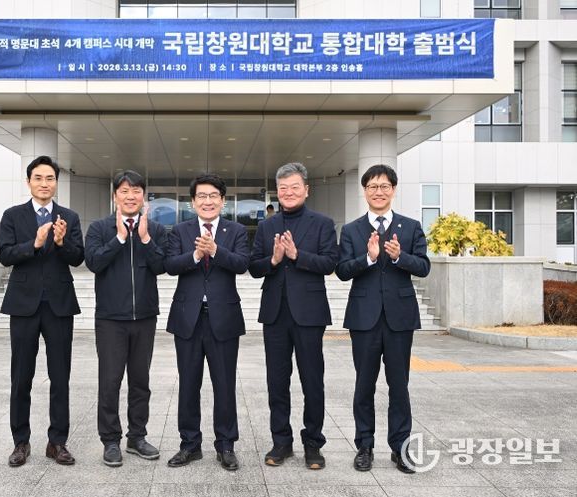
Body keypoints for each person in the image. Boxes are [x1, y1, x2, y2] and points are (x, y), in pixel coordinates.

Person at [335, 164, 431, 474]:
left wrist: (399, 256)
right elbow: (342, 271)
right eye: (373, 187)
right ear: (365, 191)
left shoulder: (411, 227)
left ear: (393, 190)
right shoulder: (351, 230)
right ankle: (364, 446)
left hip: (399, 319)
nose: (379, 192)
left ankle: (400, 448)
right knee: (364, 385)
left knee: (399, 386)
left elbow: (424, 267)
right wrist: (369, 258)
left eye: (385, 186)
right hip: (363, 318)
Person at [249, 162, 339, 470]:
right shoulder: (267, 226)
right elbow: (254, 267)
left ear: (306, 190)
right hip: (275, 314)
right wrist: (274, 260)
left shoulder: (322, 223)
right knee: (277, 381)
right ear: (277, 192)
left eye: (294, 187)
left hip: (309, 314)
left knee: (312, 380)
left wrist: (297, 255)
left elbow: (330, 263)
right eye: (283, 188)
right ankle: (281, 442)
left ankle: (313, 444)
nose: (289, 192)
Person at [0, 155, 84, 467]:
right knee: (21, 377)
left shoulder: (69, 217)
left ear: (56, 183)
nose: (44, 183)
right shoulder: (13, 215)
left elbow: (78, 258)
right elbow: (5, 254)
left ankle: (57, 442)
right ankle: (20, 442)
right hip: (23, 305)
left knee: (60, 377)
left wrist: (61, 242)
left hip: (59, 306)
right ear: (29, 182)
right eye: (38, 178)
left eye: (50, 178)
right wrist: (33, 244)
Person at [164, 174, 249, 471]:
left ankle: (226, 445)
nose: (208, 201)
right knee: (188, 384)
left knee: (224, 384)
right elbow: (170, 265)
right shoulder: (180, 230)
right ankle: (189, 444)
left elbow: (242, 263)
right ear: (193, 202)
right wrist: (196, 254)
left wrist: (215, 251)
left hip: (223, 318)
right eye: (202, 196)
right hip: (188, 319)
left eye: (214, 196)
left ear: (223, 201)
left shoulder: (236, 230)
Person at [84, 170, 167, 467]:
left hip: (144, 316)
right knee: (110, 381)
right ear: (115, 196)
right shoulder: (99, 228)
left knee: (141, 381)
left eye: (136, 191)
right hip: (110, 319)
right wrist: (120, 237)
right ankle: (110, 440)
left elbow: (162, 266)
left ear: (143, 196)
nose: (130, 196)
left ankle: (137, 437)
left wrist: (144, 238)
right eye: (124, 191)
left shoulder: (155, 229)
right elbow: (93, 262)